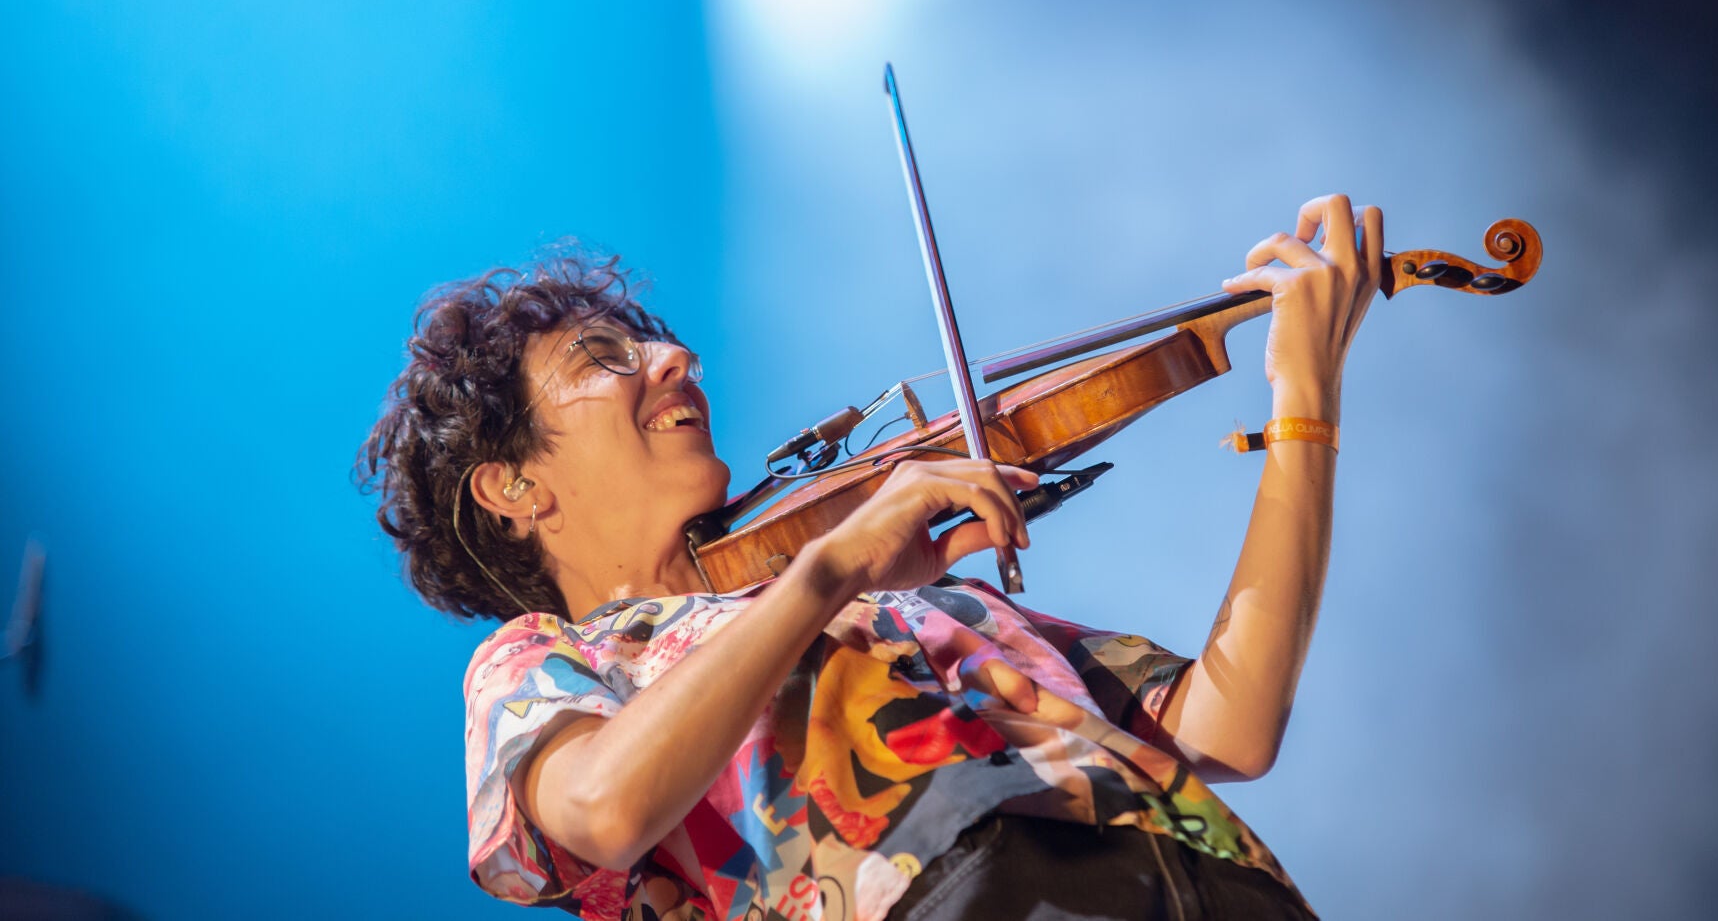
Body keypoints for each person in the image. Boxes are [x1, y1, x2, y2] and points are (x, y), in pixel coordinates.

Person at [356, 194, 1384, 921]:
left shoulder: (909, 602)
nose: (674, 359)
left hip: (1219, 885)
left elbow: (1228, 726)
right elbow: (606, 807)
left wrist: (1305, 400)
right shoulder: (547, 658)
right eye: (604, 357)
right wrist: (830, 566)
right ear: (512, 486)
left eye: (658, 344)